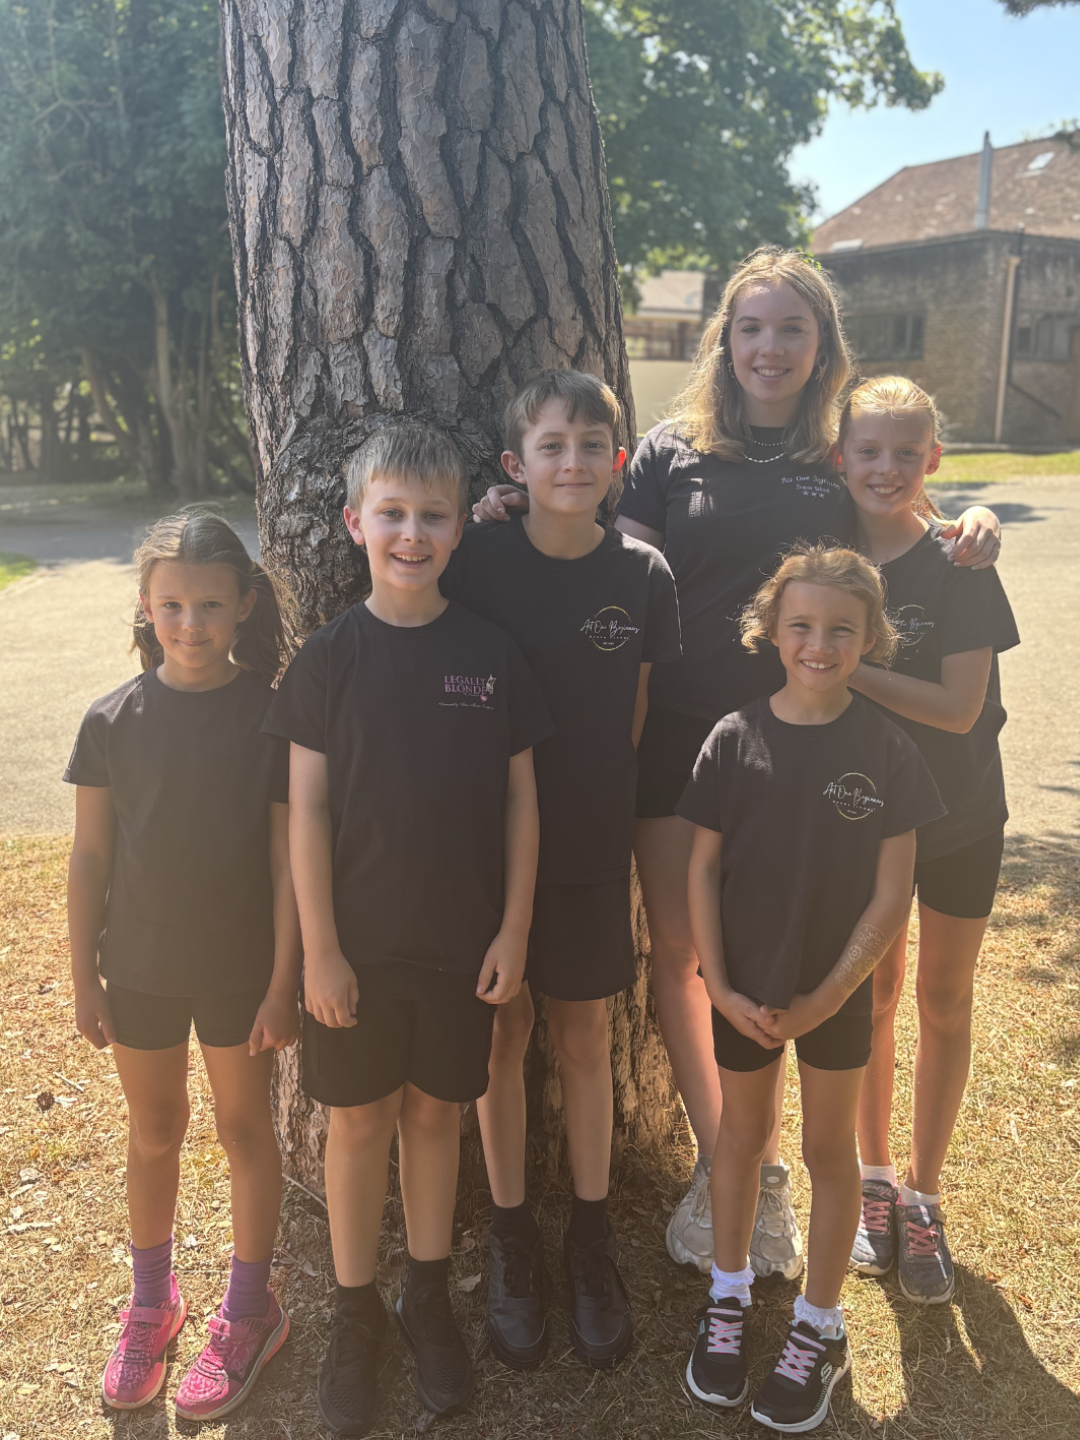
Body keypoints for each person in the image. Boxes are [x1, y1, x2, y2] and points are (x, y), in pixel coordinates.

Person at [473, 245, 1002, 1280]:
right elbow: (605, 561)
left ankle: (808, 1158)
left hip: (802, 739)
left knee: (798, 951)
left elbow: (899, 505)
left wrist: (969, 520)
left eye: (793, 329)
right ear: (725, 340)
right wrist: (511, 511)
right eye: (752, 327)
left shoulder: (834, 454)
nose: (771, 347)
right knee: (682, 952)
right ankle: (735, 1166)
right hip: (676, 732)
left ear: (822, 345)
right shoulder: (671, 453)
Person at [264, 426, 551, 1436]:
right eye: (391, 513)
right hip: (358, 953)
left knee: (435, 1118)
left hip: (461, 948)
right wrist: (320, 950)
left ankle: (425, 1298)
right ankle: (355, 1315)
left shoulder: (490, 656)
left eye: (433, 515)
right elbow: (305, 812)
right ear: (355, 523)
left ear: (459, 528)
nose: (412, 534)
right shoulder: (327, 660)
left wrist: (514, 930)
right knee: (358, 1123)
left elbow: (521, 803)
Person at [442, 370, 681, 1370]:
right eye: (552, 446)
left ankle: (589, 1236)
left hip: (585, 842)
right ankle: (511, 1238)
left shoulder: (644, 574)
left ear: (618, 463)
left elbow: (632, 716)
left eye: (592, 446)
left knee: (583, 1035)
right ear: (516, 463)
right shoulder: (477, 560)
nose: (573, 463)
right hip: (482, 848)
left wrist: (600, 817)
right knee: (502, 1032)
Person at [680, 545, 943, 1433]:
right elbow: (701, 870)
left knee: (831, 1153)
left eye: (841, 629)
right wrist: (719, 985)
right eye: (801, 625)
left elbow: (891, 894)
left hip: (835, 996)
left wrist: (830, 997)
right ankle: (726, 1298)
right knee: (741, 1139)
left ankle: (818, 1325)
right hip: (744, 991)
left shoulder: (889, 749)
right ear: (771, 631)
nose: (819, 645)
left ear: (872, 638)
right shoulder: (731, 738)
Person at [65, 511, 300, 1421]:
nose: (190, 623)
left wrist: (282, 982)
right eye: (172, 605)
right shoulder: (110, 721)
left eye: (209, 604)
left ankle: (250, 1308)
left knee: (244, 1130)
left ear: (243, 605)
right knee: (154, 1128)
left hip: (242, 974)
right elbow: (90, 857)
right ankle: (152, 1303)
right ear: (145, 604)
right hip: (141, 969)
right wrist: (84, 979)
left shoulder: (271, 716)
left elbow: (284, 860)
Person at [837, 377, 1020, 1303]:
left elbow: (957, 709)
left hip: (961, 815)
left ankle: (924, 1195)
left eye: (906, 452)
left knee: (943, 999)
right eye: (868, 450)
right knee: (873, 998)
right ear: (839, 457)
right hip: (862, 821)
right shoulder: (825, 562)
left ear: (934, 459)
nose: (886, 468)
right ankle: (872, 1182)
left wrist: (851, 670)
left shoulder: (960, 562)